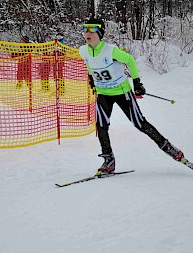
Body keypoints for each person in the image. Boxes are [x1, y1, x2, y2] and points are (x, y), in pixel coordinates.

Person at [79, 18, 186, 176]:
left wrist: (136, 83)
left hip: (122, 92)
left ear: (99, 33)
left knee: (140, 123)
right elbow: (89, 63)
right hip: (103, 93)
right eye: (85, 29)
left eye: (91, 30)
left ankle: (168, 147)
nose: (87, 33)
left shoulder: (110, 50)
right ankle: (108, 160)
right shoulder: (83, 50)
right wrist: (91, 78)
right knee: (101, 126)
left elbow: (130, 60)